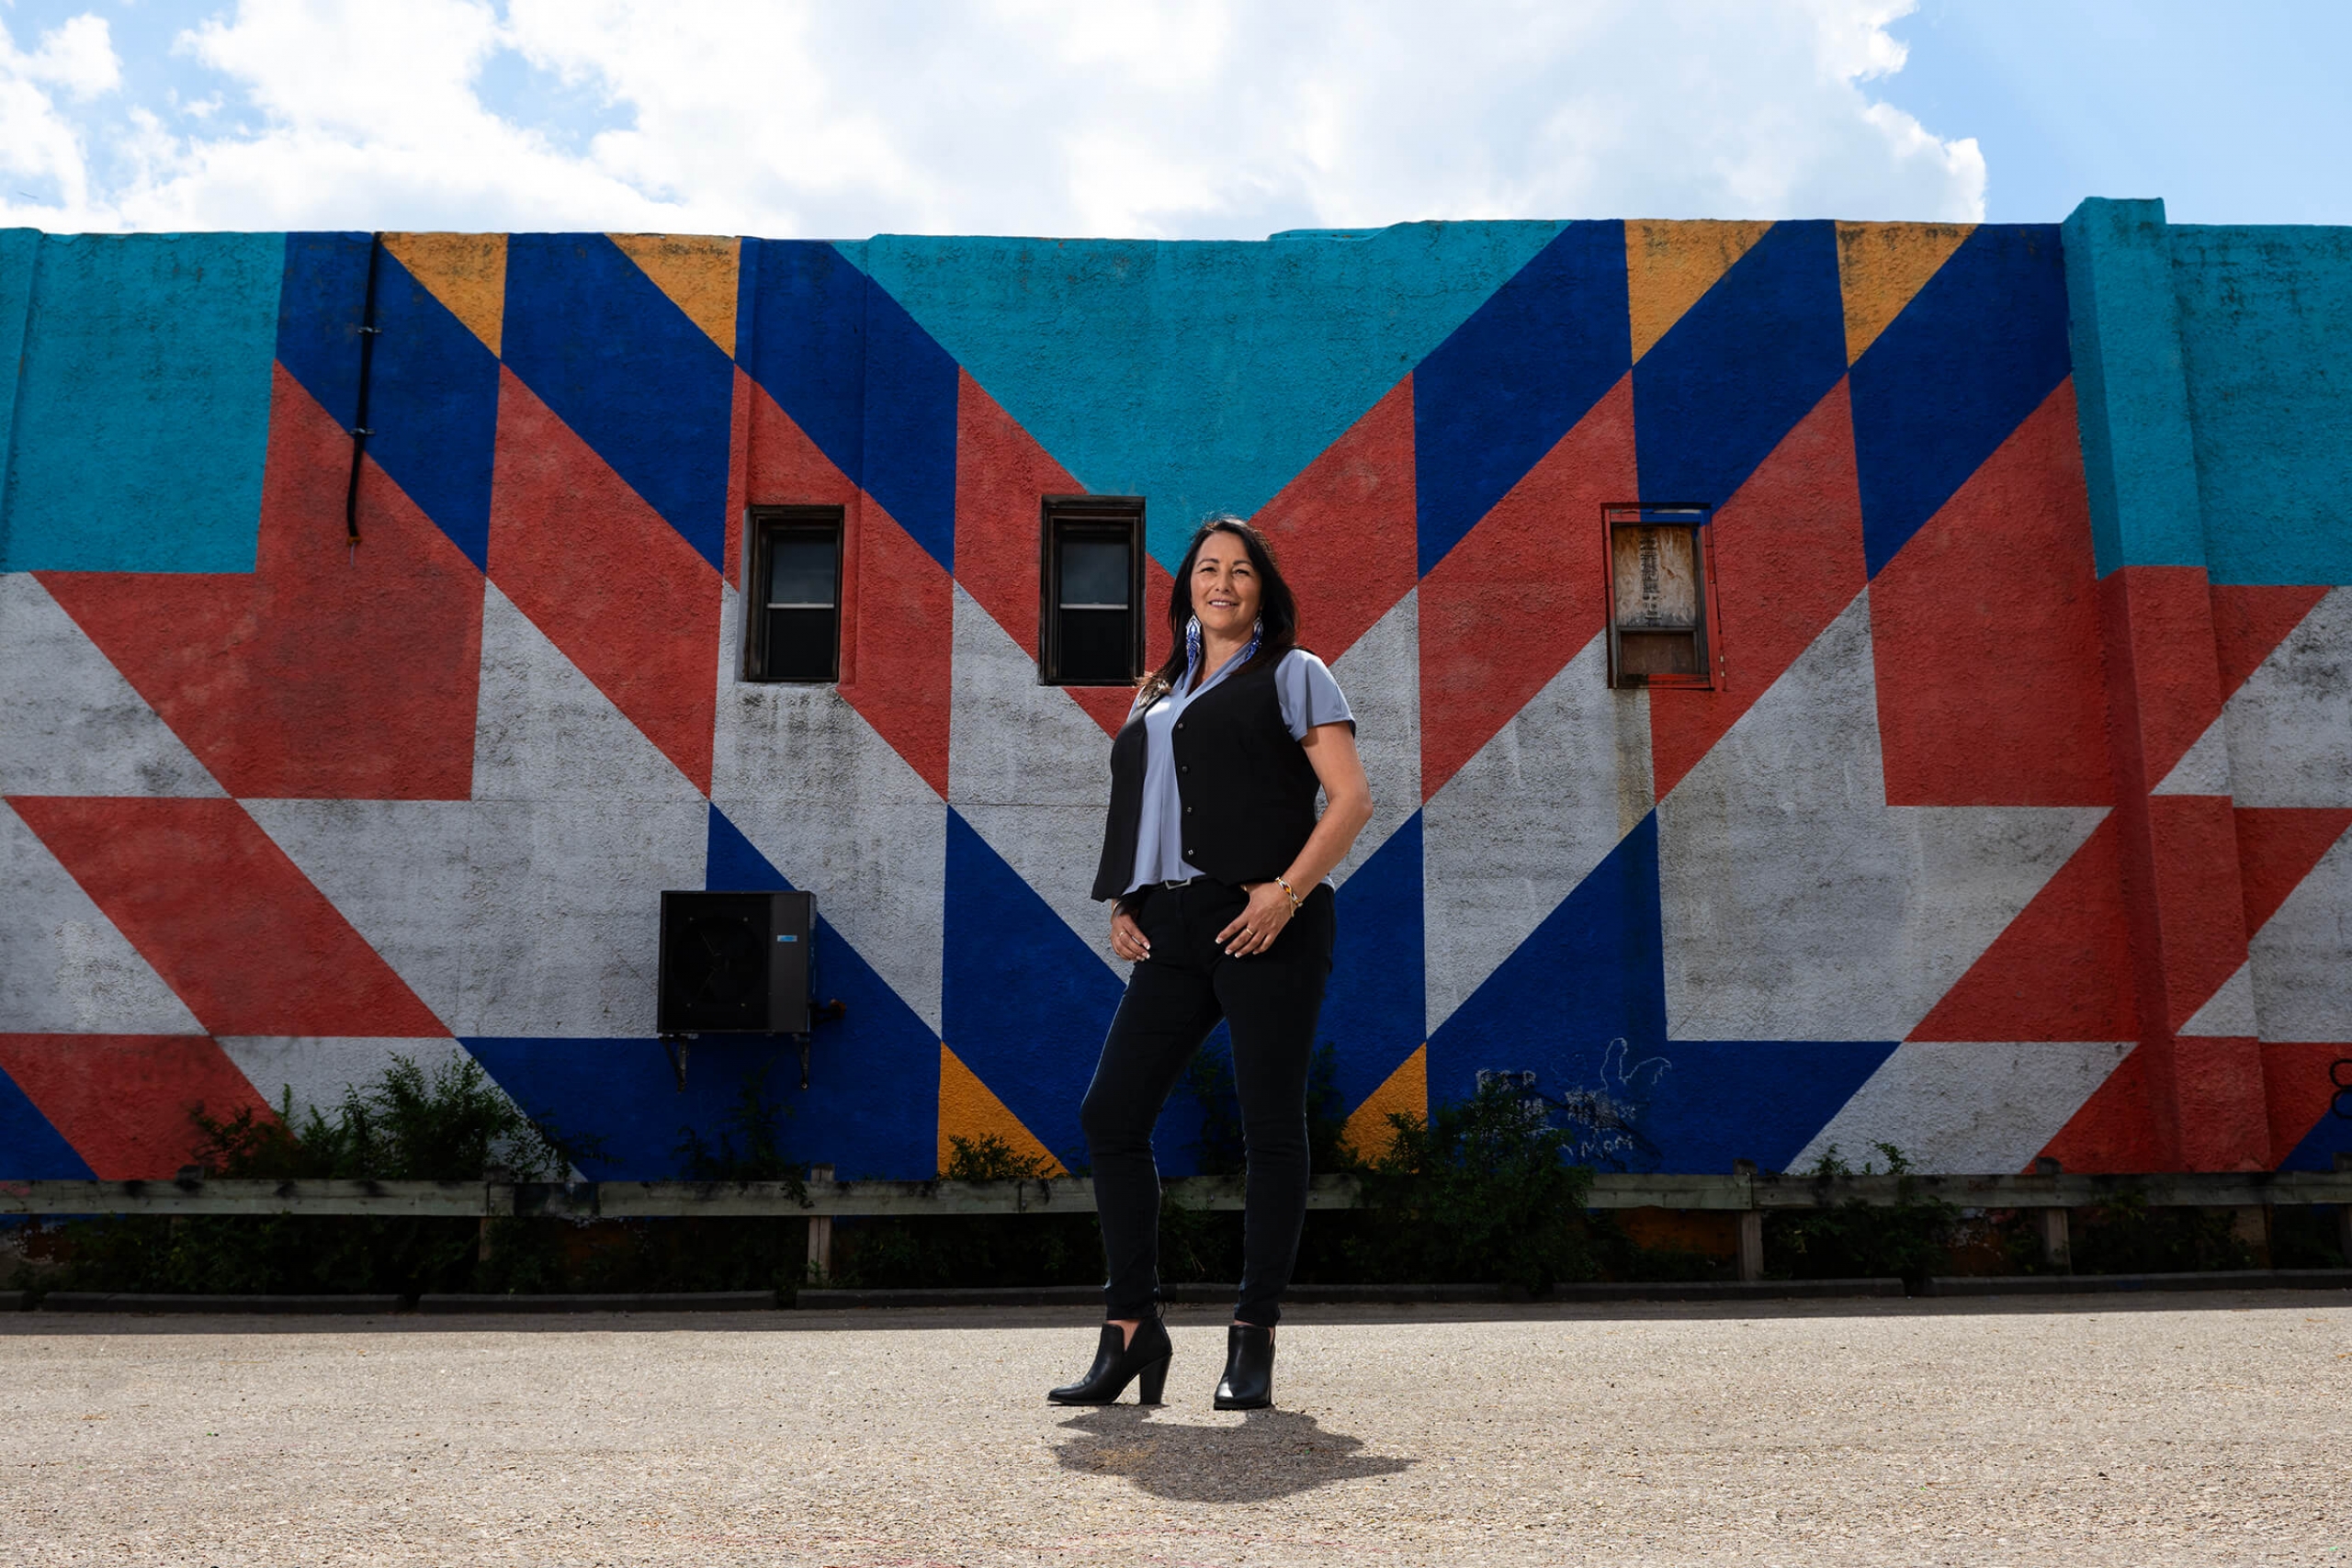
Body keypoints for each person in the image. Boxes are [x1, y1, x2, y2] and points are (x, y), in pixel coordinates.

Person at [1047, 514, 1374, 1412]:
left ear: (1263, 590)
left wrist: (1285, 895)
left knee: (1269, 1125)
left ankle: (1252, 1335)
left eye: (1239, 570)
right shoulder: (1156, 689)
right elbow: (1143, 805)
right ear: (1186, 586)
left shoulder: (1295, 672)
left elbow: (1351, 799)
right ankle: (1131, 1329)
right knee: (1111, 1114)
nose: (1221, 583)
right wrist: (1126, 900)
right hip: (1173, 924)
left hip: (1267, 917)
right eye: (1206, 569)